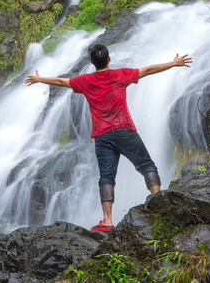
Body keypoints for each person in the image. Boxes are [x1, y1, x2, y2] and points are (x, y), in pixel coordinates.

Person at [25, 43, 192, 231]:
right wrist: (174, 63)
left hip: (102, 135)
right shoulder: (120, 75)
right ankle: (159, 204)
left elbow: (62, 82)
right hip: (124, 129)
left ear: (91, 62)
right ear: (109, 59)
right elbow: (149, 69)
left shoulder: (85, 81)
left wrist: (40, 79)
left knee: (106, 177)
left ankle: (107, 221)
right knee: (147, 166)